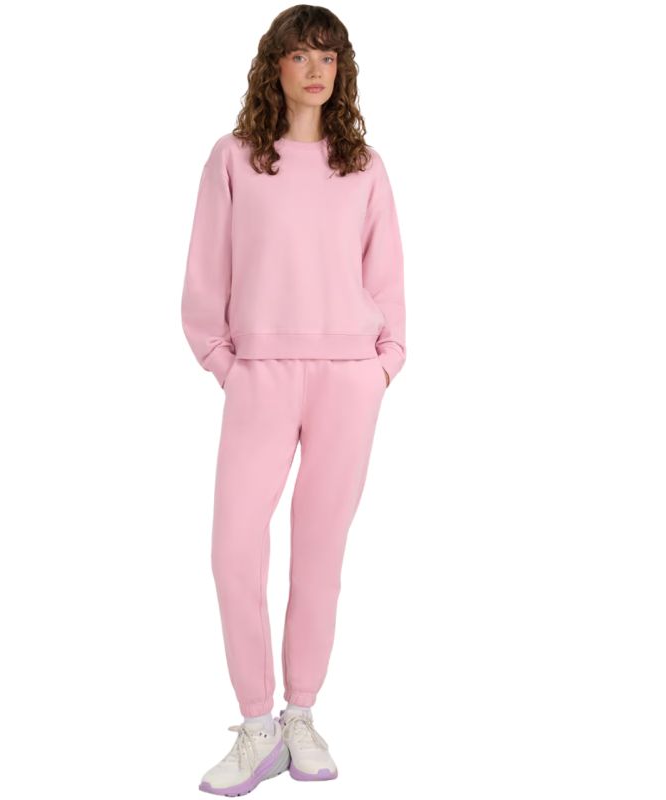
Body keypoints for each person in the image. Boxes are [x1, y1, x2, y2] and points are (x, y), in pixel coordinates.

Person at [181, 6, 406, 795]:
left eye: (328, 57)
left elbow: (387, 276)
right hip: (261, 374)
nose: (316, 70)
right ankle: (257, 726)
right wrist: (224, 361)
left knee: (319, 554)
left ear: (342, 69)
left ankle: (301, 714)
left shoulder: (364, 166)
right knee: (233, 548)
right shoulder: (235, 158)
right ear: (273, 66)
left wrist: (384, 364)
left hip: (350, 378)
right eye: (301, 55)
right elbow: (206, 272)